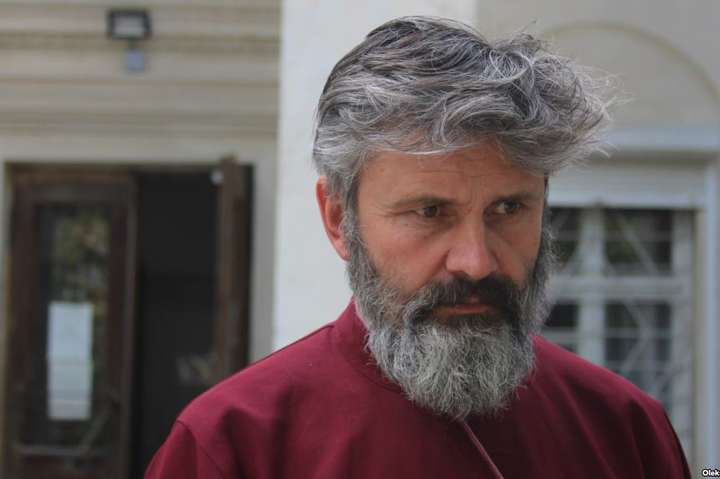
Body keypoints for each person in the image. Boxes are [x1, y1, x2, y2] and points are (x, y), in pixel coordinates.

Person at [146, 16, 690, 478]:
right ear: (339, 219)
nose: (475, 262)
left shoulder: (625, 430)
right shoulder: (233, 445)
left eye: (508, 209)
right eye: (430, 213)